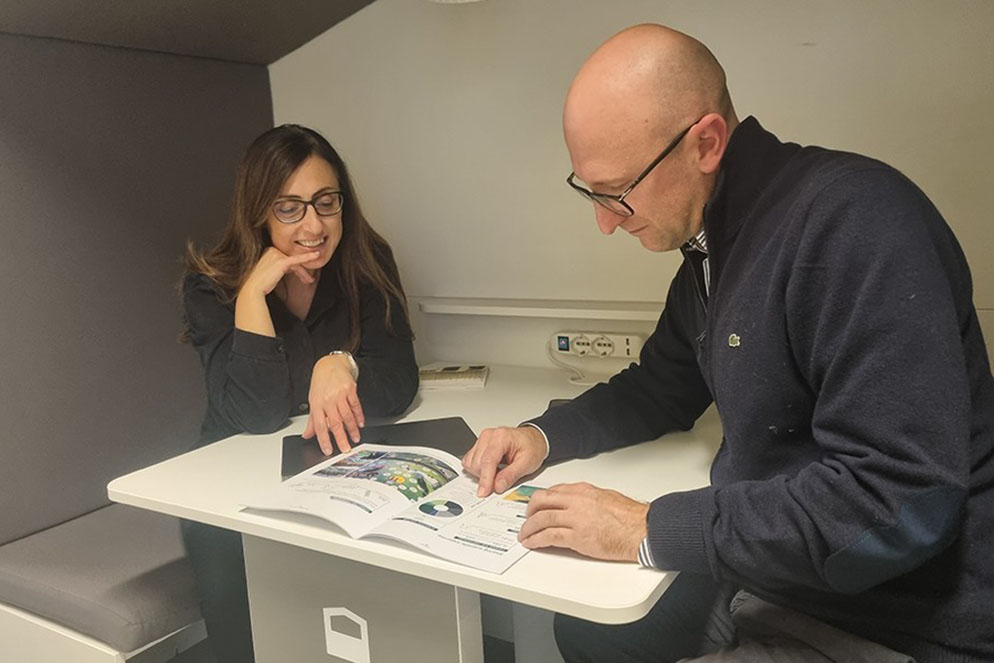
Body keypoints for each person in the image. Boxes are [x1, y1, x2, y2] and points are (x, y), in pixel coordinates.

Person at [462, 24, 994, 663]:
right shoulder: (714, 246)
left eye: (617, 194)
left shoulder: (856, 224)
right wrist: (543, 436)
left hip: (890, 620)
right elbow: (660, 388)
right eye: (591, 193)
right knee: (587, 632)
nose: (605, 222)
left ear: (706, 143)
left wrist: (648, 526)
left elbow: (896, 501)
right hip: (777, 580)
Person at [180, 124, 419, 663]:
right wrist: (252, 299)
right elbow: (254, 414)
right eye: (290, 208)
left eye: (325, 202)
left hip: (337, 467)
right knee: (233, 580)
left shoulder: (366, 259)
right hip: (227, 487)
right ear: (259, 211)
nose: (314, 226)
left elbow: (400, 378)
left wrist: (343, 363)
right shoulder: (211, 284)